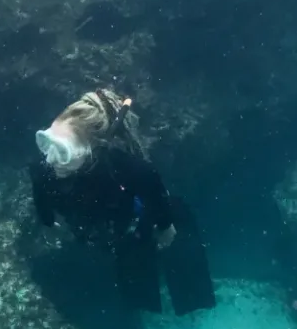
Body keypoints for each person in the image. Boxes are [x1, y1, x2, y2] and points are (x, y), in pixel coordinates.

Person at [29, 88, 216, 314]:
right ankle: (142, 306)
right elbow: (40, 191)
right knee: (135, 284)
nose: (50, 158)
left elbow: (153, 188)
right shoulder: (43, 168)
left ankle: (192, 300)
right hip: (102, 226)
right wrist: (47, 220)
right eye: (46, 142)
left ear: (91, 150)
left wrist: (165, 226)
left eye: (62, 151)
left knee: (170, 233)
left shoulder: (124, 169)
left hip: (131, 219)